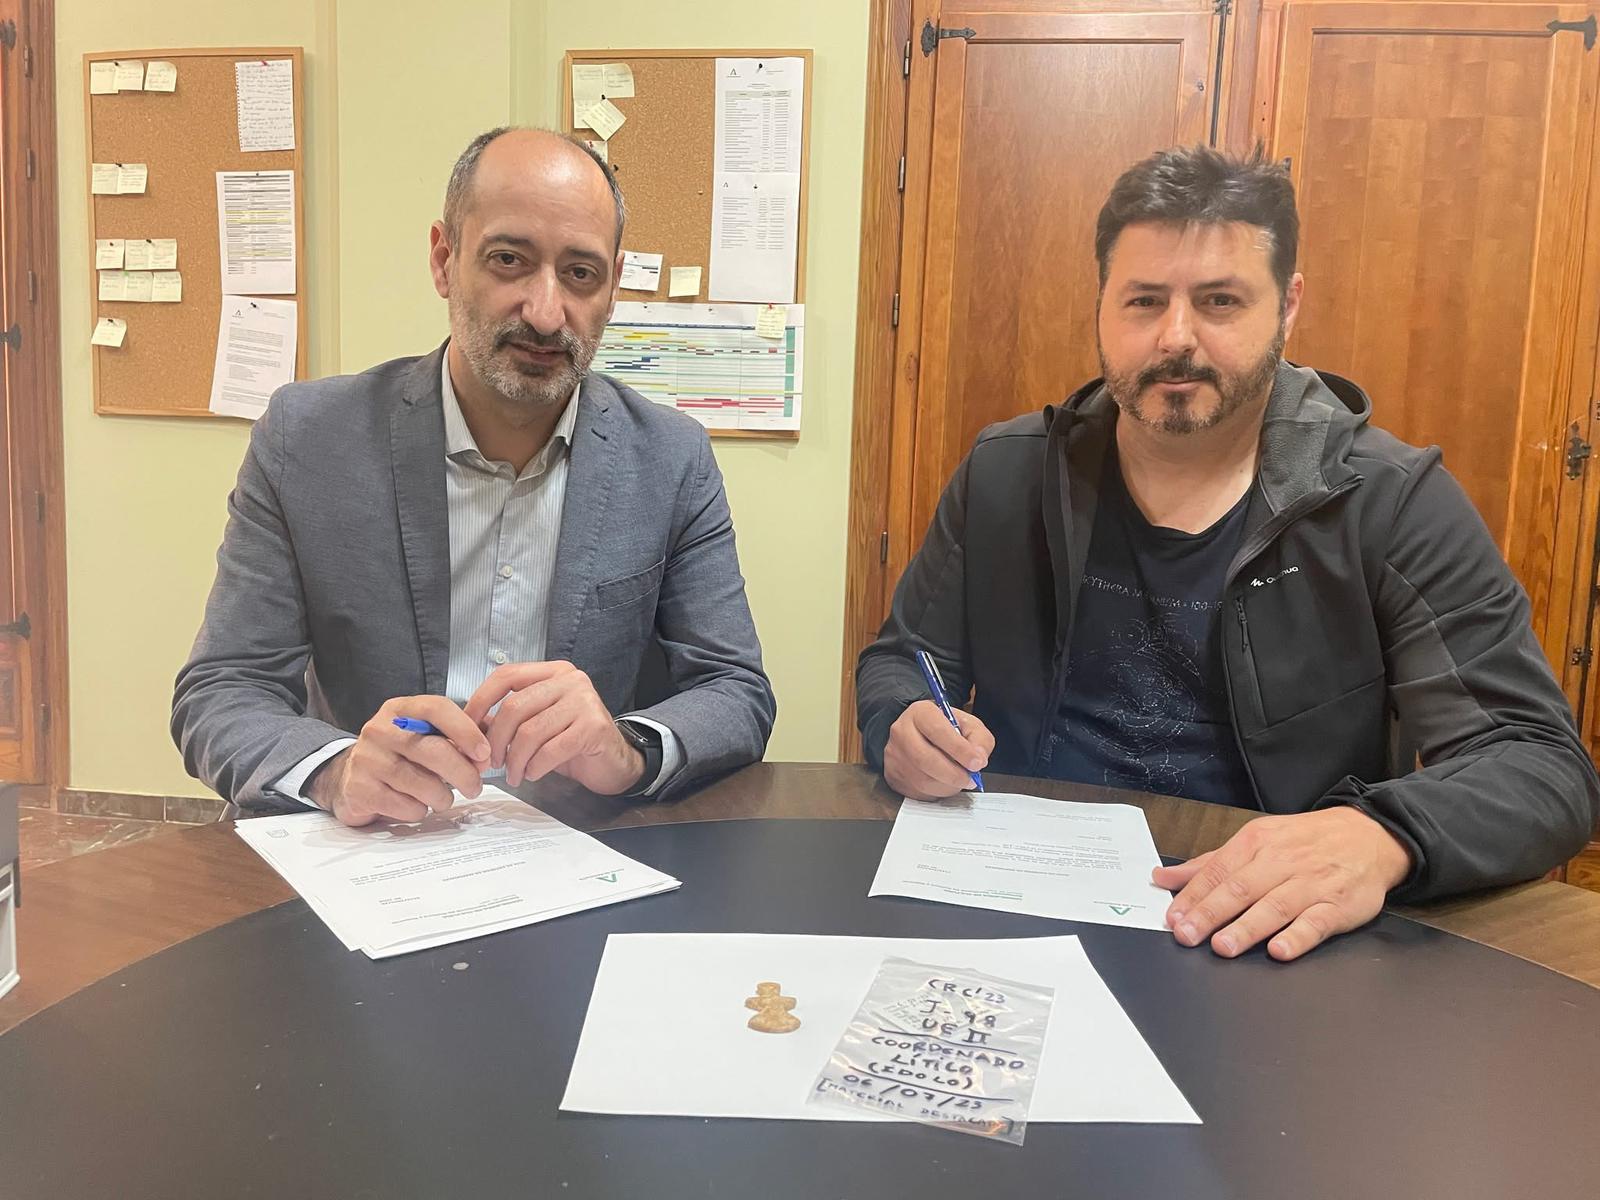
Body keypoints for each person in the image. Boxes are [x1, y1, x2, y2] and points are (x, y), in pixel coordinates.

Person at [856, 145, 1599, 961]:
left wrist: (1379, 835)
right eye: (1143, 301)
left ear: (1287, 307)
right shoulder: (1006, 474)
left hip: (1265, 933)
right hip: (1017, 904)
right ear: (1101, 305)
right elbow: (901, 661)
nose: (1177, 338)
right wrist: (902, 719)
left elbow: (1538, 763)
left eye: (1219, 301)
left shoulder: (1388, 500)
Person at [174, 127, 775, 826]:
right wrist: (337, 770)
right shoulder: (308, 440)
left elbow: (735, 690)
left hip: (578, 848)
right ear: (444, 259)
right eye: (509, 259)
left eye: (580, 273)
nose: (546, 312)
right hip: (377, 847)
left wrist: (627, 750)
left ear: (612, 288)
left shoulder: (670, 459)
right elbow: (222, 689)